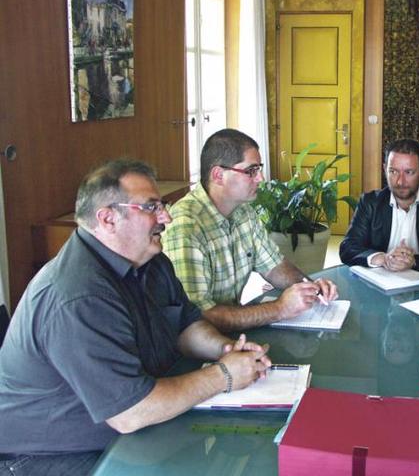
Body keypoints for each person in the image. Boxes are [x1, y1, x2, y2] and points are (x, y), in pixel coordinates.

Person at [0, 160, 271, 475]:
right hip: (49, 455)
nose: (166, 217)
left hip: (133, 430)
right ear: (108, 218)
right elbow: (130, 412)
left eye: (163, 205)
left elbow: (185, 323)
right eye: (151, 207)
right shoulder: (78, 296)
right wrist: (223, 375)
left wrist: (224, 350)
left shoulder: (150, 259)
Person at [162, 129, 337, 333]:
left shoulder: (244, 212)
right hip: (194, 347)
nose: (261, 178)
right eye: (251, 171)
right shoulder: (185, 226)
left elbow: (274, 266)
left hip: (231, 333)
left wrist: (310, 286)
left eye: (259, 169)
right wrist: (280, 308)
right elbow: (200, 316)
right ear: (218, 175)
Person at [339, 138, 419, 273]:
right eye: (393, 171)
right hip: (380, 280)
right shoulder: (370, 202)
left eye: (409, 172)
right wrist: (381, 258)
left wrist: (414, 261)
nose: (400, 181)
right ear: (384, 169)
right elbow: (348, 247)